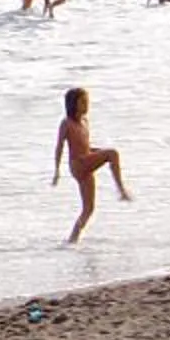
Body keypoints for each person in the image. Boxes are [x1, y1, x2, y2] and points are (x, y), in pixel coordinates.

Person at [52, 86, 132, 245]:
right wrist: (56, 171)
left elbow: (86, 147)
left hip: (86, 162)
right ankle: (121, 190)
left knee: (88, 209)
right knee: (112, 153)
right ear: (73, 104)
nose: (86, 106)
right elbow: (59, 146)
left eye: (87, 102)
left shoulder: (85, 122)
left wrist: (99, 153)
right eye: (82, 102)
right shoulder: (66, 123)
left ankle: (72, 241)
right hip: (78, 165)